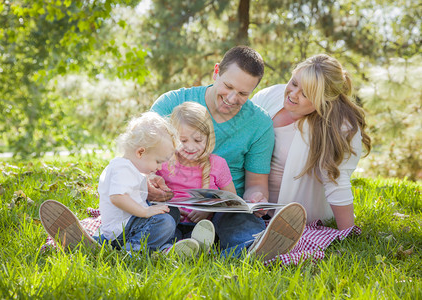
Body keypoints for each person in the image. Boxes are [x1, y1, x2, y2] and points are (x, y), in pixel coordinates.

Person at [150, 45, 307, 261]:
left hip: (222, 211)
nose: (232, 98)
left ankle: (250, 248)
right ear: (216, 72)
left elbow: (256, 182)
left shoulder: (259, 123)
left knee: (241, 221)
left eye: (243, 93)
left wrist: (255, 197)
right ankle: (171, 247)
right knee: (152, 216)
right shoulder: (172, 103)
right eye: (228, 86)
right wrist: (149, 181)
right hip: (169, 204)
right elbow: (140, 156)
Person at [39, 112, 215, 256]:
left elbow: (133, 190)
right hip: (119, 232)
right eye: (158, 161)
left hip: (131, 224)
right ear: (140, 152)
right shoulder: (120, 167)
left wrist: (148, 181)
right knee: (164, 222)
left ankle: (167, 248)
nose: (160, 167)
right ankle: (131, 252)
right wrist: (146, 211)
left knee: (171, 211)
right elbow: (118, 197)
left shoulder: (131, 168)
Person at [251, 54, 371, 230]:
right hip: (251, 201)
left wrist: (348, 232)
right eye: (294, 83)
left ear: (324, 101)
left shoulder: (338, 127)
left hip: (293, 216)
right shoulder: (271, 96)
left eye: (305, 94)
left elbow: (337, 181)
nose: (293, 94)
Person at [156, 102, 237, 238]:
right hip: (170, 222)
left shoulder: (217, 164)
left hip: (204, 226)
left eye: (198, 140)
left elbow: (232, 200)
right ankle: (172, 245)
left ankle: (194, 244)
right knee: (165, 222)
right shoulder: (164, 161)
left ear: (208, 138)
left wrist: (208, 209)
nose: (191, 147)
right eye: (183, 141)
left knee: (227, 221)